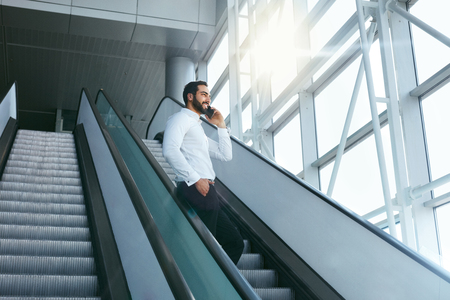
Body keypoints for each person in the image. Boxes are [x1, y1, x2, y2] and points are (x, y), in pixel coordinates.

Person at [162, 80, 244, 265]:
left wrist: (221, 126)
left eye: (209, 94)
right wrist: (196, 179)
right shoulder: (180, 119)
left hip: (208, 190)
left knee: (235, 242)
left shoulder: (197, 127)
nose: (208, 98)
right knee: (203, 248)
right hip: (196, 188)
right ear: (190, 97)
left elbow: (225, 154)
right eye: (203, 94)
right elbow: (169, 150)